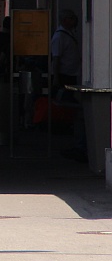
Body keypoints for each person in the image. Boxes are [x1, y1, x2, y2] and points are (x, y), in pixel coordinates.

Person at [51, 9, 86, 162]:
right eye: (71, 18)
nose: (74, 21)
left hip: (73, 75)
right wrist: (56, 78)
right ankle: (79, 144)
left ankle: (80, 143)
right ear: (65, 20)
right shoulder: (59, 37)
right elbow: (56, 59)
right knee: (76, 111)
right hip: (67, 77)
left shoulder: (69, 35)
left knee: (77, 112)